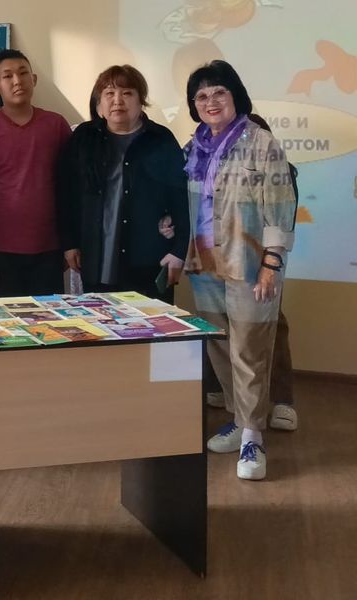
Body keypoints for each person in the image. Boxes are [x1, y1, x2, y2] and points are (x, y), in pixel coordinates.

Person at [182, 60, 296, 481]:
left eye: (219, 92)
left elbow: (280, 208)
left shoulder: (261, 143)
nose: (210, 101)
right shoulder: (193, 148)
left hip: (249, 265)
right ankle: (238, 419)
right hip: (204, 264)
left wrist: (271, 264)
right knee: (220, 347)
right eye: (201, 96)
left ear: (235, 97)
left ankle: (253, 437)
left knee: (250, 350)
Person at [59, 65, 188, 301]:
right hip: (97, 259)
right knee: (101, 322)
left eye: (127, 93)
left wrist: (180, 250)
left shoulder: (160, 139)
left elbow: (181, 199)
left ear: (141, 101)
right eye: (109, 93)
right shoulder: (84, 138)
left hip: (150, 260)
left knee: (150, 323)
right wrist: (69, 244)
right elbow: (67, 194)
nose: (117, 100)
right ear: (99, 104)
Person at [0, 49, 71, 296]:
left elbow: (70, 187)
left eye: (23, 73)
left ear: (34, 79)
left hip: (49, 247)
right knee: (4, 319)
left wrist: (70, 242)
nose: (17, 81)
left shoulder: (56, 125)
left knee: (49, 318)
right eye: (7, 76)